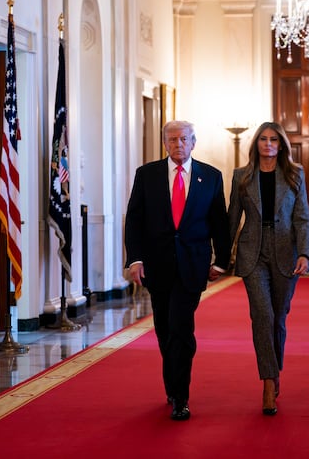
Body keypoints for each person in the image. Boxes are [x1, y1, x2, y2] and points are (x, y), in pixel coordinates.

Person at [125, 120, 231, 421]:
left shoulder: (210, 176)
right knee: (164, 329)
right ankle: (172, 385)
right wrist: (135, 259)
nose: (178, 144)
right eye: (172, 139)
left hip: (193, 266)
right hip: (157, 267)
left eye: (184, 139)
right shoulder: (147, 175)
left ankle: (181, 398)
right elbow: (134, 220)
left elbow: (219, 222)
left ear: (193, 142)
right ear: (165, 143)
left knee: (181, 328)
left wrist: (222, 260)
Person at [227, 121, 309, 416]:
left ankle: (275, 371)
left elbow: (302, 218)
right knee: (262, 316)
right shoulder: (241, 176)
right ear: (256, 144)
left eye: (273, 139)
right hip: (253, 255)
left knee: (278, 318)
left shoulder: (294, 175)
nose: (268, 144)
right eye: (262, 139)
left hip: (286, 255)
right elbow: (232, 219)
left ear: (281, 145)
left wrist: (304, 253)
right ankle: (267, 383)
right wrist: (221, 260)